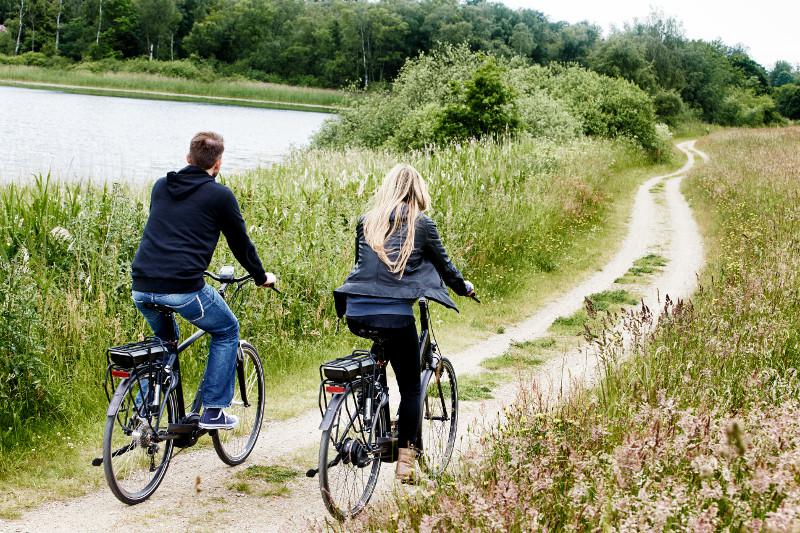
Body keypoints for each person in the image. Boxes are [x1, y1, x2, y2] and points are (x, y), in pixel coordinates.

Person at [334, 163, 475, 484]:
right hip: (395, 316)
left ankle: (370, 406)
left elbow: (364, 266)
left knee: (379, 358)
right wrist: (463, 286)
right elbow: (446, 266)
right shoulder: (421, 225)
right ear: (418, 191)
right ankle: (405, 463)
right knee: (411, 387)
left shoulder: (366, 222)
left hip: (356, 310)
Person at [130, 131, 274, 430]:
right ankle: (214, 410)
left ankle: (143, 413)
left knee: (164, 343)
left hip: (142, 285)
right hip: (183, 288)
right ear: (218, 165)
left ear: (187, 158)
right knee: (226, 330)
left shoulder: (161, 186)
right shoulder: (220, 195)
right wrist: (261, 277)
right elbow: (240, 244)